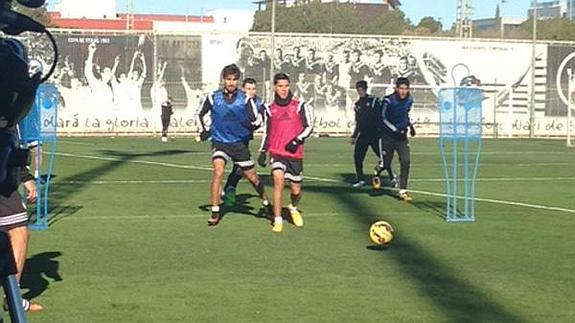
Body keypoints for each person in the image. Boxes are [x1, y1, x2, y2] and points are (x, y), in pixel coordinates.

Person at [197, 64, 270, 226]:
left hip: (238, 143)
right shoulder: (212, 97)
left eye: (234, 80)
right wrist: (202, 130)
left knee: (253, 178)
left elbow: (257, 120)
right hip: (219, 142)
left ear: (238, 81)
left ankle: (266, 202)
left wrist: (250, 124)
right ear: (223, 80)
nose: (231, 82)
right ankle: (215, 211)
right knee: (218, 171)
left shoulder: (245, 99)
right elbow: (199, 113)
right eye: (228, 79)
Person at [258, 73, 313, 233]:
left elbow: (309, 127)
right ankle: (278, 219)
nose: (283, 89)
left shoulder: (299, 105)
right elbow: (267, 131)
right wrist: (263, 151)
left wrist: (296, 140)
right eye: (280, 86)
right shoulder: (269, 108)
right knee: (278, 182)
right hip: (277, 152)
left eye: (286, 86)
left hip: (295, 153)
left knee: (296, 190)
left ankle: (293, 207)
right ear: (275, 87)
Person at [221, 78, 263, 207]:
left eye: (253, 89)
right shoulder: (239, 100)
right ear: (243, 89)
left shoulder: (259, 102)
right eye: (248, 89)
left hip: (245, 138)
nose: (251, 91)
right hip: (232, 138)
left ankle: (229, 189)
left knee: (239, 167)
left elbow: (260, 119)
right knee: (238, 166)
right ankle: (229, 189)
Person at [350, 81, 393, 189]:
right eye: (358, 90)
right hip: (363, 135)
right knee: (357, 157)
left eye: (362, 89)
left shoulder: (374, 100)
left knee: (384, 157)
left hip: (375, 135)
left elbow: (381, 116)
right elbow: (358, 122)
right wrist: (354, 136)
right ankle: (360, 180)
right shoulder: (357, 105)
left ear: (365, 89)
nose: (360, 92)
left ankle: (393, 177)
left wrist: (383, 130)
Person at [380, 77, 416, 201]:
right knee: (386, 162)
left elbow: (405, 114)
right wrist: (393, 128)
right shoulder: (388, 101)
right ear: (396, 88)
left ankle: (403, 190)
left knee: (405, 161)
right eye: (401, 88)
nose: (403, 91)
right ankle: (380, 166)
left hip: (401, 137)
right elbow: (383, 117)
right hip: (388, 137)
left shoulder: (410, 100)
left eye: (406, 89)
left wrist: (411, 127)